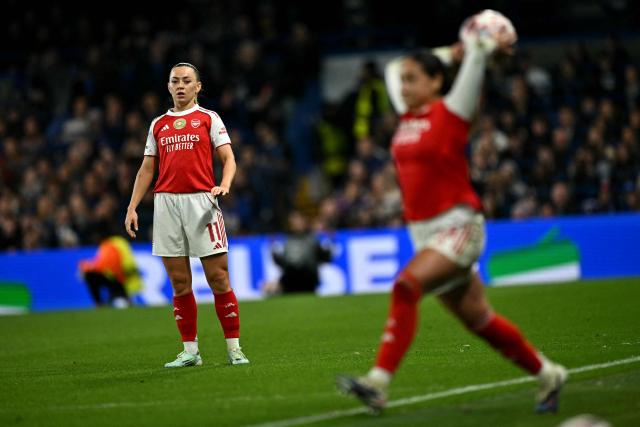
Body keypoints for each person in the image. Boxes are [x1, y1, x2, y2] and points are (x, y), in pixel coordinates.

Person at [337, 11, 567, 414]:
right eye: (404, 81)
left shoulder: (453, 112)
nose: (404, 86)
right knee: (480, 320)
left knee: (406, 286)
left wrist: (478, 47)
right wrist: (450, 50)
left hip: (458, 226)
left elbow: (476, 59)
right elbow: (393, 68)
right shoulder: (409, 116)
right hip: (424, 234)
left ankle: (378, 382)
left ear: (437, 81)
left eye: (414, 80)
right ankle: (548, 374)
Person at [124, 62, 249, 368]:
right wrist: (131, 206)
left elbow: (229, 158)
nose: (180, 86)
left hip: (202, 203)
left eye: (186, 81)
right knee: (180, 283)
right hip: (166, 204)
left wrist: (225, 183)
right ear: (168, 87)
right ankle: (190, 351)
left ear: (198, 87)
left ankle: (234, 348)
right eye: (175, 81)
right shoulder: (158, 125)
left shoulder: (209, 118)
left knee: (219, 278)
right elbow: (147, 169)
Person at [265, 211, 332, 295]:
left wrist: (328, 248)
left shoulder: (312, 239)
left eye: (299, 220)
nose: (297, 223)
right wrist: (275, 254)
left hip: (308, 279)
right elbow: (281, 263)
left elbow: (324, 258)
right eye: (294, 221)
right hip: (290, 280)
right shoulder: (286, 240)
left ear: (304, 222)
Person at [79, 234, 142, 308]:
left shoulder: (108, 246)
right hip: (116, 278)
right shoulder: (117, 243)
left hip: (117, 278)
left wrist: (87, 267)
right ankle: (103, 303)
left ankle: (102, 303)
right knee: (91, 276)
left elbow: (102, 264)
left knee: (90, 276)